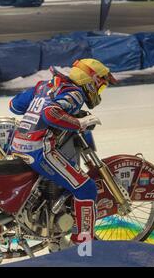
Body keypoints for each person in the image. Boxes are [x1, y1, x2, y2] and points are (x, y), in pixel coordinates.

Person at [8, 59, 117, 248]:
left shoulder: (45, 85)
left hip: (17, 144)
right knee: (86, 189)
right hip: (40, 149)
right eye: (100, 88)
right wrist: (79, 123)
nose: (98, 93)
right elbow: (50, 113)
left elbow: (14, 105)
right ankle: (82, 244)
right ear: (91, 81)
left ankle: (55, 235)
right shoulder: (75, 93)